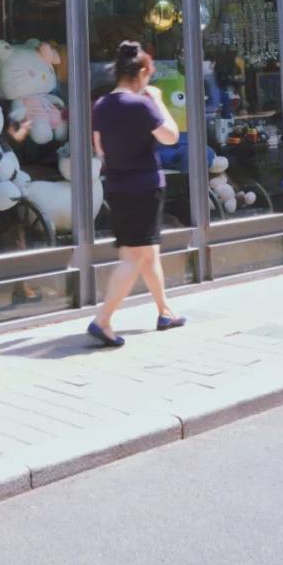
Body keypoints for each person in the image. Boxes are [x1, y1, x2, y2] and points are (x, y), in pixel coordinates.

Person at [87, 40, 186, 347]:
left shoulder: (101, 105)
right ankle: (102, 320)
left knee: (148, 251)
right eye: (149, 75)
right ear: (142, 72)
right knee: (134, 256)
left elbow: (99, 148)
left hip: (117, 187)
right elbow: (170, 137)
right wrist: (158, 101)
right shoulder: (142, 104)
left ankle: (164, 310)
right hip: (144, 187)